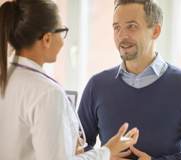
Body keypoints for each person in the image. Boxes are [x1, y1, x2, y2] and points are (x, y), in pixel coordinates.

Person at [78, 0, 181, 159]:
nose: (122, 36)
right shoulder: (96, 86)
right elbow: (76, 146)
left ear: (156, 31)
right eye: (116, 27)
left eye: (131, 26)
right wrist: (103, 157)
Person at [0, 0, 139, 160]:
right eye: (62, 31)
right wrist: (106, 151)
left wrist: (67, 146)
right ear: (46, 39)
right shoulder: (47, 93)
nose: (64, 40)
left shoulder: (8, 77)